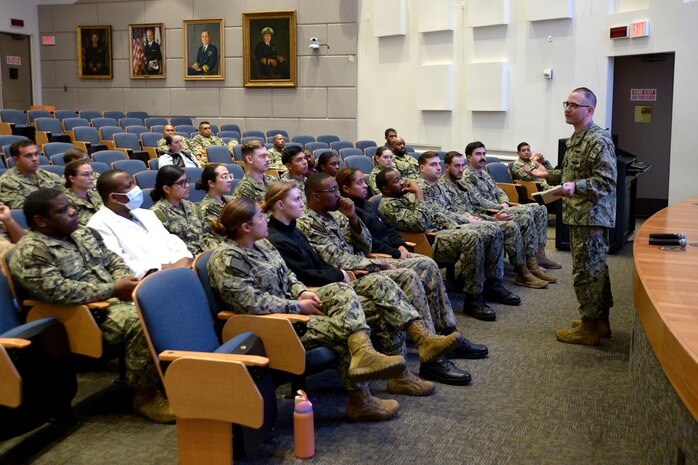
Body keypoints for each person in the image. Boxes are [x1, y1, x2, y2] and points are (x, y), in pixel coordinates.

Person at [208, 197, 409, 421]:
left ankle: (365, 355)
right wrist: (298, 306)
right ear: (246, 227)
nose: (266, 220)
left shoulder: (262, 244)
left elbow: (289, 276)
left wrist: (302, 292)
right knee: (346, 328)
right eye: (261, 217)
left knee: (341, 290)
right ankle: (360, 402)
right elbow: (250, 303)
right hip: (270, 326)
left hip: (291, 309)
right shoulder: (227, 258)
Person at [263, 181, 464, 394]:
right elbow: (307, 273)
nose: (301, 203)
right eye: (296, 199)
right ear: (280, 205)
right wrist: (346, 274)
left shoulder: (294, 229)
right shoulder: (279, 237)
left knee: (386, 286)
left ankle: (419, 350)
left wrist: (353, 219)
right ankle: (408, 362)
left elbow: (361, 246)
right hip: (323, 290)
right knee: (383, 292)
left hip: (334, 282)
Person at [10, 188, 173, 423]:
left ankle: (170, 379)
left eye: (70, 205)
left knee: (165, 302)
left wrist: (124, 282)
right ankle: (145, 396)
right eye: (63, 210)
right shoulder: (32, 252)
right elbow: (57, 292)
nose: (73, 211)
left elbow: (114, 260)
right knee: (142, 319)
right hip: (79, 316)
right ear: (40, 221)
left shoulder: (83, 233)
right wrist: (113, 289)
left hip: (113, 301)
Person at [336, 168, 489, 359]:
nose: (366, 185)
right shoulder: (348, 212)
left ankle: (448, 329)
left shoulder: (366, 205)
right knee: (425, 266)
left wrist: (400, 245)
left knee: (428, 264)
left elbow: (389, 229)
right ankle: (432, 337)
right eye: (360, 182)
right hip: (376, 256)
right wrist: (394, 253)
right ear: (346, 188)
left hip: (391, 252)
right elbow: (369, 244)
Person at [376, 168, 521, 322]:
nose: (403, 182)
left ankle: (493, 283)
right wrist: (419, 195)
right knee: (471, 237)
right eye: (396, 181)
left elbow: (436, 213)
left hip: (443, 230)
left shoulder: (405, 195)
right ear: (385, 188)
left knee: (492, 229)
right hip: (428, 241)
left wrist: (461, 223)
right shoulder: (388, 204)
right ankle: (473, 298)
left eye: (401, 177)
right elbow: (419, 224)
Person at [550, 87, 617, 346]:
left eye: (574, 105)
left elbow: (606, 181)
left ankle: (589, 328)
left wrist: (575, 187)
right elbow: (573, 175)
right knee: (596, 269)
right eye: (566, 103)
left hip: (591, 217)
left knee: (587, 271)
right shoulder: (577, 138)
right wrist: (549, 176)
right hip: (579, 215)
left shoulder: (596, 140)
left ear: (589, 111)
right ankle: (600, 322)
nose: (568, 108)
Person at [438, 151, 552, 288]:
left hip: (482, 218)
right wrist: (492, 215)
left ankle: (526, 268)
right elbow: (446, 213)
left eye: (462, 166)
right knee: (511, 225)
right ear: (447, 167)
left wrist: (494, 216)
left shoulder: (461, 184)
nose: (461, 169)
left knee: (522, 218)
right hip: (460, 226)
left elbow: (478, 205)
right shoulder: (442, 187)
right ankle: (516, 274)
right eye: (457, 166)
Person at [462, 141, 562, 270]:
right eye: (478, 154)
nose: (482, 157)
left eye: (484, 153)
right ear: (469, 157)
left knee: (540, 208)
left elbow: (499, 191)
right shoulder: (467, 176)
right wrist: (500, 207)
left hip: (501, 207)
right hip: (488, 212)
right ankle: (528, 263)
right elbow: (478, 201)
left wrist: (504, 202)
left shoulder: (484, 174)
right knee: (525, 214)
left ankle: (540, 255)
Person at [87, 169, 193, 278]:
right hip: (149, 281)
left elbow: (172, 241)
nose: (135, 189)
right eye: (129, 186)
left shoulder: (145, 213)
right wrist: (171, 268)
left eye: (133, 183)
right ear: (114, 197)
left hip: (181, 270)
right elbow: (121, 265)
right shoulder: (98, 225)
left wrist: (183, 260)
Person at [150, 166, 218, 256]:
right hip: (186, 261)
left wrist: (215, 250)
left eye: (186, 181)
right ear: (166, 188)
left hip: (205, 255)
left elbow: (206, 233)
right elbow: (165, 250)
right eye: (181, 183)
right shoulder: (157, 213)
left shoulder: (191, 206)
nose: (187, 185)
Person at [0, 140, 63, 209]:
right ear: (16, 159)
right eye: (28, 156)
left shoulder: (50, 176)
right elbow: (21, 208)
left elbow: (65, 198)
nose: (35, 159)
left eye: (36, 154)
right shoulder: (7, 182)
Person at [64, 159, 102, 226]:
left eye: (91, 173)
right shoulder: (65, 201)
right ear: (72, 179)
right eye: (86, 175)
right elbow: (75, 229)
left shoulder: (96, 193)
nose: (91, 178)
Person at [196, 163, 233, 228]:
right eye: (224, 177)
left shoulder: (230, 200)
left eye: (229, 176)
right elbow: (219, 236)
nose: (229, 180)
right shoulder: (207, 208)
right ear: (211, 183)